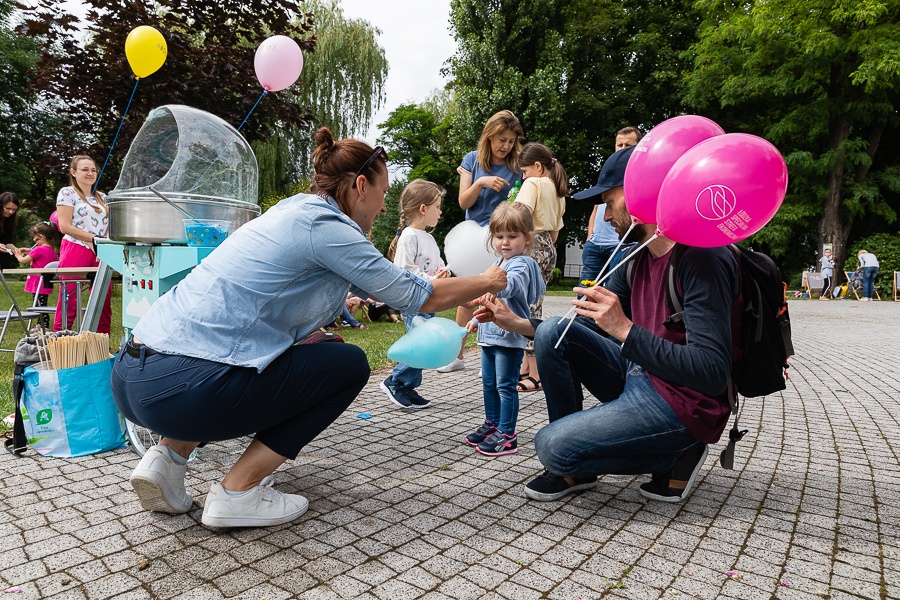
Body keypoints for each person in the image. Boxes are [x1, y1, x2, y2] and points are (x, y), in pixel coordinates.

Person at [110, 129, 507, 529]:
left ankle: (165, 462)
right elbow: (420, 296)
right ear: (360, 185)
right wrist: (488, 280)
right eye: (384, 191)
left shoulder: (292, 210)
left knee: (291, 351)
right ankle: (237, 492)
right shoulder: (329, 227)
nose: (385, 206)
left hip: (133, 375)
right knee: (348, 366)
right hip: (180, 389)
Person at [475, 144, 739, 504]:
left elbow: (710, 371)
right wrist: (517, 323)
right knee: (554, 333)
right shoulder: (636, 256)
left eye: (610, 202)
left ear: (641, 198)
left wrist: (625, 329)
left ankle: (679, 453)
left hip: (681, 403)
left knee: (551, 444)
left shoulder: (702, 259)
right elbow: (581, 329)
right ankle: (575, 471)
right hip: (639, 376)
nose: (605, 216)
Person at [440, 110, 524, 373]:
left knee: (497, 296)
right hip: (472, 240)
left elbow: (519, 204)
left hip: (501, 239)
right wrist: (481, 183)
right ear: (489, 136)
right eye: (501, 139)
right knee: (467, 297)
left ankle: (492, 357)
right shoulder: (472, 160)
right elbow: (464, 201)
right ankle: (456, 355)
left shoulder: (518, 165)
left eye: (511, 140)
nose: (506, 146)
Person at [464, 203, 545, 456]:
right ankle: (493, 424)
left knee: (505, 386)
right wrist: (476, 320)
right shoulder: (498, 263)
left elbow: (511, 286)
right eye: (499, 236)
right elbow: (488, 299)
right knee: (489, 384)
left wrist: (494, 282)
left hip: (509, 338)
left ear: (526, 237)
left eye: (512, 236)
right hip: (489, 337)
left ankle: (508, 434)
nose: (505, 242)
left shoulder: (522, 264)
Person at [381, 179, 450, 409]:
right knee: (419, 345)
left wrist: (444, 272)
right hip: (413, 302)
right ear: (423, 209)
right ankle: (395, 381)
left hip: (429, 301)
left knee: (425, 344)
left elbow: (438, 264)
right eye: (438, 207)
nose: (440, 212)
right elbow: (404, 270)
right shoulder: (409, 237)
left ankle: (407, 387)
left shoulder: (429, 238)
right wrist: (431, 279)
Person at [513, 142, 567, 392]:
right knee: (535, 304)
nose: (523, 176)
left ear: (537, 166)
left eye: (524, 171)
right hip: (548, 246)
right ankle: (525, 367)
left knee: (527, 309)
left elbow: (521, 216)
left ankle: (535, 374)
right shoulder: (557, 190)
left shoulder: (533, 184)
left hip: (531, 244)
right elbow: (555, 232)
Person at [54, 155, 113, 333]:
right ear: (73, 172)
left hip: (101, 250)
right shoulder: (67, 193)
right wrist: (92, 238)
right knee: (69, 297)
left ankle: (102, 343)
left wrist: (104, 241)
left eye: (93, 170)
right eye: (85, 169)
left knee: (103, 298)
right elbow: (64, 226)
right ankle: (61, 340)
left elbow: (110, 225)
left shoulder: (102, 197)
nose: (90, 173)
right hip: (76, 247)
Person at [580, 127, 641, 284]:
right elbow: (596, 206)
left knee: (614, 290)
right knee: (586, 294)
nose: (622, 149)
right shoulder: (608, 170)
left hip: (619, 242)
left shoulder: (638, 175)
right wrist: (590, 237)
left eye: (628, 145)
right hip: (596, 243)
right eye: (619, 145)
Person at [15, 221, 61, 329]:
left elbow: (24, 260)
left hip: (37, 283)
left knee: (38, 305)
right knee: (42, 304)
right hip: (46, 283)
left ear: (40, 237)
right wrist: (31, 251)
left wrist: (18, 255)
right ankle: (41, 324)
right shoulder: (52, 251)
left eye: (34, 238)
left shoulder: (39, 249)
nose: (33, 240)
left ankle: (42, 326)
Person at [0, 192, 21, 258]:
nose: (11, 212)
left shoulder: (9, 221)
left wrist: (17, 250)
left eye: (14, 209)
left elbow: (7, 242)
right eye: (8, 208)